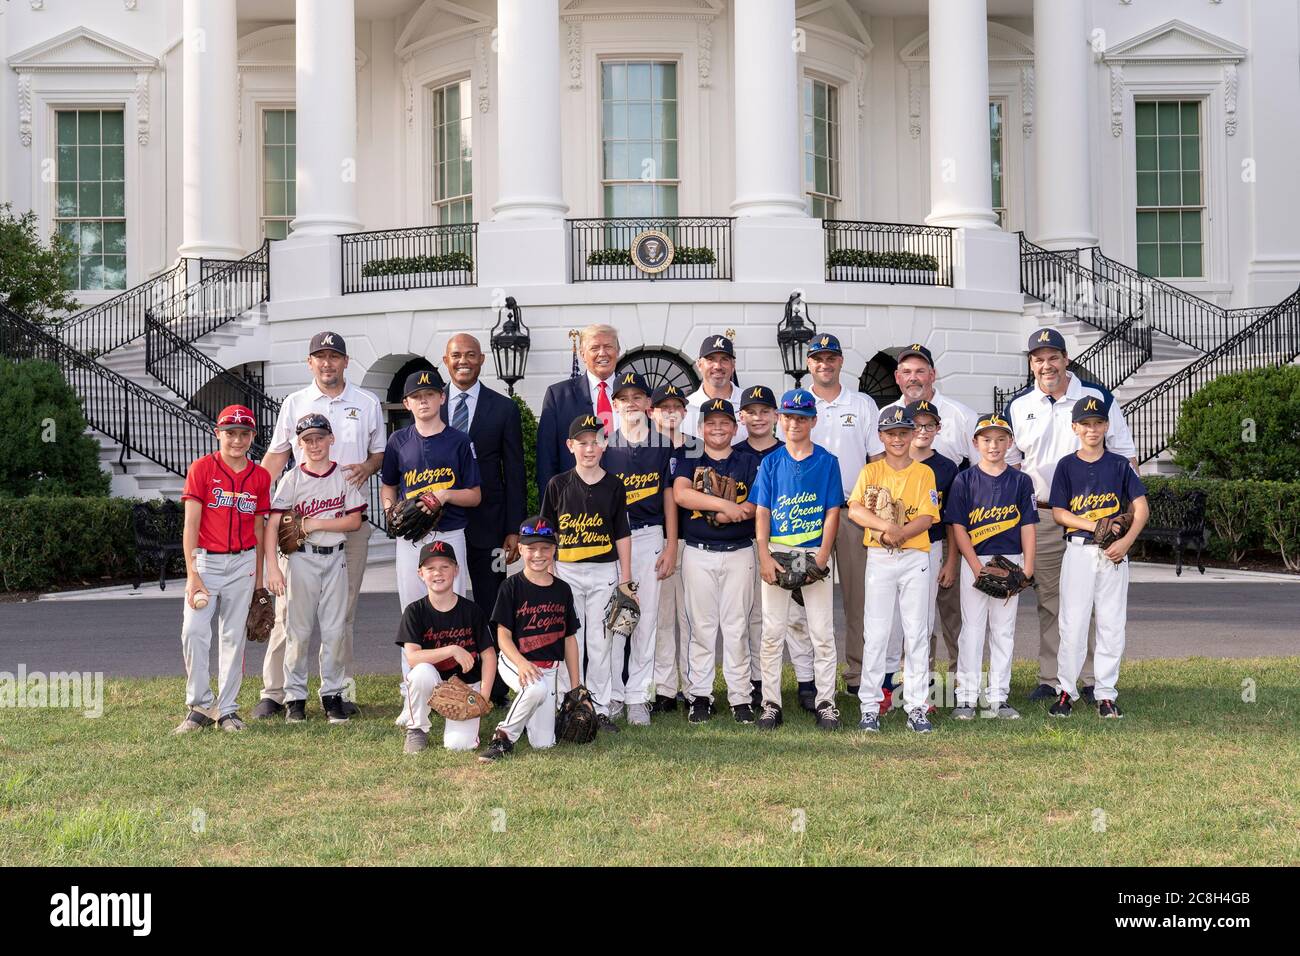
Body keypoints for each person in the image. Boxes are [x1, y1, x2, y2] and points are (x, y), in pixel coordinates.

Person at [252, 331, 385, 720]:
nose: (327, 363)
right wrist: (253, 501)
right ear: (310, 363)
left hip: (348, 520)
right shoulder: (295, 403)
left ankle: (337, 693)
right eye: (319, 357)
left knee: (342, 614)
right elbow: (276, 459)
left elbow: (378, 452)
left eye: (334, 356)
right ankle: (276, 693)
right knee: (286, 614)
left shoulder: (367, 402)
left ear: (346, 362)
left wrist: (367, 466)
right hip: (299, 524)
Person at [1003, 328, 1137, 703]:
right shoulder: (1019, 405)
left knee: (1097, 599)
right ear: (1031, 365)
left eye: (1053, 357)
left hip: (1098, 520)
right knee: (1050, 599)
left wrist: (1123, 519)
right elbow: (1013, 463)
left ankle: (1095, 679)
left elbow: (1126, 456)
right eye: (1038, 359)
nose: (1046, 365)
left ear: (1066, 359)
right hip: (1045, 514)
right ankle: (1053, 678)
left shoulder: (1097, 399)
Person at [380, 369, 483, 726]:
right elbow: (389, 485)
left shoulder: (458, 440)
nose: (423, 400)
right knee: (412, 611)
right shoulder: (398, 441)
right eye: (416, 396)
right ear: (406, 404)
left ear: (442, 398)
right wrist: (390, 509)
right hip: (412, 540)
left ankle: (454, 688)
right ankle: (413, 694)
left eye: (430, 394)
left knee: (453, 611)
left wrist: (444, 494)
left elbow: (474, 495)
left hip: (450, 534)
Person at [1047, 396, 1149, 719]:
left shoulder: (1119, 465)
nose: (1092, 429)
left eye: (1098, 423)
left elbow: (1142, 508)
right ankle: (1066, 690)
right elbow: (1060, 513)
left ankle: (1106, 693)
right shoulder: (1067, 465)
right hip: (1078, 550)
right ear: (1074, 427)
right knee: (1072, 623)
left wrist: (1127, 542)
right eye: (1086, 424)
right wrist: (1094, 524)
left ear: (1106, 426)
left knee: (1111, 623)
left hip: (1113, 553)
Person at [173, 405, 272, 735]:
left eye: (244, 434)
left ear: (252, 438)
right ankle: (199, 705)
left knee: (233, 637)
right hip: (207, 561)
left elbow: (259, 530)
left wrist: (259, 582)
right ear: (218, 434)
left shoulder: (260, 477)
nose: (237, 440)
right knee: (194, 631)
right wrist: (192, 574)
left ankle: (227, 710)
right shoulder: (202, 469)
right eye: (230, 433)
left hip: (243, 563)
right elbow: (190, 525)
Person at [263, 414, 368, 724]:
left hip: (335, 556)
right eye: (307, 439)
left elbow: (354, 521)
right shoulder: (292, 479)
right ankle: (295, 698)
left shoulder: (343, 477)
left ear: (331, 439)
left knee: (335, 631)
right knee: (298, 631)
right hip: (300, 560)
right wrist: (273, 568)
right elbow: (273, 525)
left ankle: (332, 694)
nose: (314, 444)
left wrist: (314, 523)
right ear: (299, 444)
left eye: (320, 437)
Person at [441, 332, 527, 707]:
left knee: (493, 602)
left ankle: (501, 683)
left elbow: (515, 471)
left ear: (482, 360)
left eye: (471, 355)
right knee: (446, 604)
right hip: (440, 525)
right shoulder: (430, 403)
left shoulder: (502, 409)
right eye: (457, 355)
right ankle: (453, 678)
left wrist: (514, 528)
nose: (464, 361)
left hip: (490, 527)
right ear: (446, 361)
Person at [751, 389, 844, 731]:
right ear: (780, 419)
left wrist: (823, 553)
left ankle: (826, 702)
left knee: (821, 631)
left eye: (802, 418)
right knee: (773, 632)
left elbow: (832, 510)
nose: (794, 423)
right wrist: (763, 553)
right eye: (789, 416)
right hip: (777, 551)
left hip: (812, 552)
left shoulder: (827, 461)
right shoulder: (771, 462)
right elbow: (762, 510)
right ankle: (771, 703)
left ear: (813, 421)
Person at [847, 406, 940, 734]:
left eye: (903, 432)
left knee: (916, 632)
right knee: (876, 632)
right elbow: (855, 509)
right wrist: (886, 527)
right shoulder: (872, 471)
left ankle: (916, 706)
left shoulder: (924, 472)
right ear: (881, 437)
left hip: (914, 555)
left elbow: (928, 516)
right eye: (891, 433)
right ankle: (869, 706)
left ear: (913, 434)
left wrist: (901, 532)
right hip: (881, 555)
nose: (898, 438)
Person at [802, 333, 883, 701]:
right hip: (808, 514)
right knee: (805, 599)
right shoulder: (799, 403)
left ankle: (856, 674)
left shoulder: (863, 404)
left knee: (858, 598)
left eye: (831, 358)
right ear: (809, 364)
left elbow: (877, 462)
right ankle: (810, 678)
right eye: (818, 358)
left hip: (853, 512)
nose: (825, 364)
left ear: (840, 362)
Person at [541, 414, 633, 732]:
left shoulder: (614, 485)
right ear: (571, 446)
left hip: (604, 570)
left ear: (604, 445)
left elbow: (622, 532)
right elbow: (546, 532)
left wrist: (626, 578)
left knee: (601, 641)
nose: (589, 448)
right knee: (571, 639)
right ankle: (569, 703)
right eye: (583, 443)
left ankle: (600, 707)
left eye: (595, 442)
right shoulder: (558, 485)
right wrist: (549, 571)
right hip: (567, 571)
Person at [943, 412, 1039, 720]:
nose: (994, 445)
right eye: (986, 439)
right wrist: (974, 566)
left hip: (1011, 560)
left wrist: (1027, 569)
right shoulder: (965, 479)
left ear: (1010, 442)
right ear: (975, 443)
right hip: (977, 561)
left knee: (1003, 630)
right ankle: (966, 698)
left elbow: (1028, 525)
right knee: (971, 629)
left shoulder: (1021, 481)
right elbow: (958, 526)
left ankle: (999, 696)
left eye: (1000, 439)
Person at [671, 398, 760, 724]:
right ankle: (700, 697)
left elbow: (753, 504)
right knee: (701, 629)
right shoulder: (689, 456)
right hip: (698, 551)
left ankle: (740, 698)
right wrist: (724, 508)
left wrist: (737, 511)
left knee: (737, 629)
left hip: (739, 552)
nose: (718, 427)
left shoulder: (747, 460)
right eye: (711, 422)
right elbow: (681, 494)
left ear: (735, 427)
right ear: (701, 428)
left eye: (724, 422)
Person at [892, 343, 975, 681]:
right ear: (898, 378)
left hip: (944, 539)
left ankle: (959, 681)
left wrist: (954, 558)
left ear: (932, 374)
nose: (914, 377)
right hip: (903, 542)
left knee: (952, 613)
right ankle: (912, 681)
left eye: (920, 370)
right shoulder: (890, 422)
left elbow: (976, 477)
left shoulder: (960, 416)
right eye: (907, 371)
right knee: (910, 618)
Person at [602, 371, 678, 725]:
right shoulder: (603, 447)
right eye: (623, 398)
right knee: (616, 621)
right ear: (614, 405)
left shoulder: (663, 445)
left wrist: (671, 544)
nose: (630, 404)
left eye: (637, 397)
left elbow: (669, 498)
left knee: (645, 621)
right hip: (613, 540)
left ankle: (637, 697)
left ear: (649, 404)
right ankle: (614, 695)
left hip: (650, 536)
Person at [737, 385, 815, 712]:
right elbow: (744, 507)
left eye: (764, 411)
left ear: (775, 417)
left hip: (785, 546)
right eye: (751, 411)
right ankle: (756, 682)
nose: (758, 417)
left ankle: (806, 682)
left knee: (796, 616)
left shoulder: (789, 453)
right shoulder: (735, 453)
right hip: (742, 544)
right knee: (756, 617)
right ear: (742, 417)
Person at [478, 517, 582, 761]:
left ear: (554, 550)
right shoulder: (511, 587)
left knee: (544, 744)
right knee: (535, 689)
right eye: (531, 548)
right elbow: (502, 637)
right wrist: (522, 663)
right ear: (521, 549)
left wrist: (576, 687)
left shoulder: (562, 589)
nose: (538, 554)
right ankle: (502, 738)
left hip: (549, 669)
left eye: (545, 548)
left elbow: (569, 639)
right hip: (515, 661)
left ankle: (524, 716)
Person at [881, 399, 959, 712]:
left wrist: (951, 561)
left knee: (922, 621)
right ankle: (886, 687)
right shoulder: (883, 464)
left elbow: (952, 520)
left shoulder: (946, 467)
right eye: (917, 424)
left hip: (930, 546)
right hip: (889, 548)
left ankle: (920, 688)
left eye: (929, 425)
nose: (923, 430)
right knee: (889, 620)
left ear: (938, 428)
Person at [397, 540, 498, 754]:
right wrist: (452, 649)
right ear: (420, 573)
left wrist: (484, 696)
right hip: (434, 682)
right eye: (430, 568)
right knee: (421, 672)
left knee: (458, 746)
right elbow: (413, 658)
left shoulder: (472, 610)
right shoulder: (415, 611)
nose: (438, 573)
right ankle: (417, 729)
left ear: (456, 570)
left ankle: (457, 727)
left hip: (466, 687)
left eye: (445, 566)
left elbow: (489, 655)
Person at [535, 324, 621, 502]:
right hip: (575, 504)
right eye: (594, 348)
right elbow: (546, 458)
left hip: (628, 501)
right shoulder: (558, 396)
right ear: (582, 354)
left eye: (608, 346)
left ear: (618, 351)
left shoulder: (637, 395)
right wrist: (551, 510)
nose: (602, 353)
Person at [648, 383, 693, 712]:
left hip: (692, 539)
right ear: (652, 412)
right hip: (658, 539)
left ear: (685, 412)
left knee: (689, 617)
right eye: (664, 407)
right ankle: (664, 687)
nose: (670, 412)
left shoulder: (697, 448)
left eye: (676, 406)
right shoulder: (645, 447)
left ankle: (693, 686)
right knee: (661, 618)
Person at [683, 334, 749, 441]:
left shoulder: (749, 404)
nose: (718, 366)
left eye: (724, 359)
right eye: (710, 359)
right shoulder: (686, 409)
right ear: (699, 365)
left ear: (733, 366)